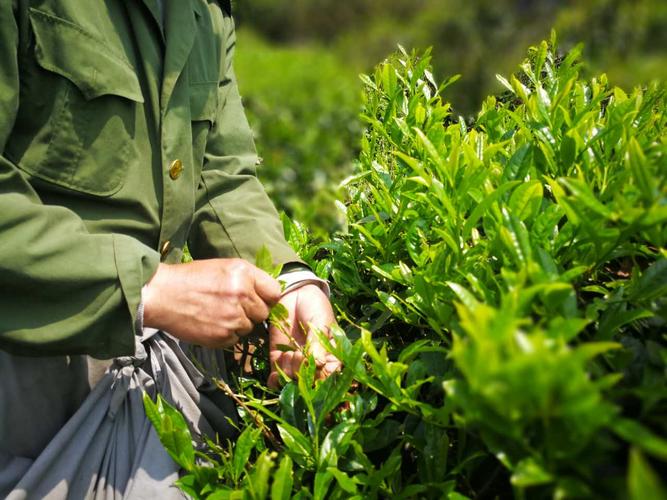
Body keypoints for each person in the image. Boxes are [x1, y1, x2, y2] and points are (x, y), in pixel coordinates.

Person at [0, 0, 340, 497]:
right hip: (27, 381)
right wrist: (147, 287)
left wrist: (291, 282)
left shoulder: (202, 11)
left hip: (152, 372)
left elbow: (219, 175)